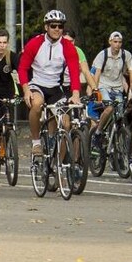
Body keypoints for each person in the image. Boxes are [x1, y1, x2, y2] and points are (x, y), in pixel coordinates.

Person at [18, 10, 82, 157]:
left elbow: (74, 71)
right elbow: (23, 68)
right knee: (37, 103)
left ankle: (59, 167)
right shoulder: (35, 43)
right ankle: (36, 143)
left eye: (60, 26)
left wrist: (76, 93)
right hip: (37, 84)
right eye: (53, 26)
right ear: (46, 27)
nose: (57, 29)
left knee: (66, 124)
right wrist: (26, 90)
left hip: (55, 88)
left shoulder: (68, 46)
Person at [90, 31, 132, 139]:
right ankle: (98, 132)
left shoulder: (126, 55)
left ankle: (116, 138)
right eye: (115, 42)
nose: (117, 44)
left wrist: (130, 90)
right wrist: (95, 90)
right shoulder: (103, 55)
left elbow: (130, 72)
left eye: (119, 42)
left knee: (121, 114)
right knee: (109, 108)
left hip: (118, 88)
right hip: (104, 86)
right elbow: (97, 73)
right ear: (110, 42)